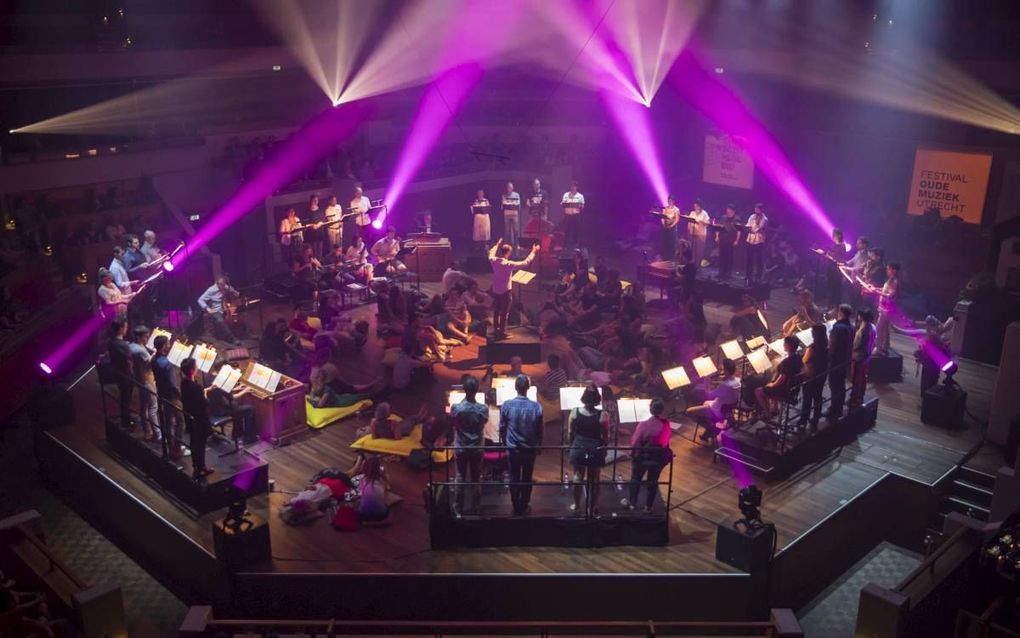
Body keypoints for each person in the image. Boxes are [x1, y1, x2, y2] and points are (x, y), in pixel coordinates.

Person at [500, 374, 544, 516]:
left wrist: (504, 442)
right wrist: (539, 445)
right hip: (529, 449)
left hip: (512, 448)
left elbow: (502, 427)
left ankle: (516, 506)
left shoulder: (506, 405)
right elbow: (540, 430)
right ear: (528, 388)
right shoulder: (537, 407)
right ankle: (524, 506)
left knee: (513, 477)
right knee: (527, 477)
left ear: (515, 387)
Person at [623, 397, 671, 513]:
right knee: (653, 481)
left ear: (650, 409)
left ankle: (633, 503)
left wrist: (632, 454)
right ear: (662, 410)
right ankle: (648, 507)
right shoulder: (666, 424)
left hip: (643, 458)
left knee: (636, 478)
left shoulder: (643, 425)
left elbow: (635, 442)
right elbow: (665, 442)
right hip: (658, 459)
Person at [567, 384, 610, 515]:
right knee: (595, 479)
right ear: (597, 398)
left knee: (577, 477)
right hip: (595, 449)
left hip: (579, 448)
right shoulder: (603, 415)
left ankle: (577, 505)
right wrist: (604, 449)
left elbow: (570, 433)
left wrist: (572, 447)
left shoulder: (574, 412)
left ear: (584, 397)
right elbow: (605, 436)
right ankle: (593, 507)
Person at [450, 375, 488, 516]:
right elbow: (483, 422)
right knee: (476, 478)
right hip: (477, 447)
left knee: (460, 476)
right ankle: (476, 507)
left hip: (460, 446)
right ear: (477, 390)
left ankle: (458, 507)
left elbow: (453, 423)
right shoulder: (483, 409)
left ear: (464, 389)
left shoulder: (456, 408)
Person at [488, 238, 539, 340]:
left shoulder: (493, 261)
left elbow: (491, 252)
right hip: (505, 291)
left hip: (496, 290)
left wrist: (497, 244)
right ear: (509, 253)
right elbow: (526, 262)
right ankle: (501, 333)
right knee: (504, 313)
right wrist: (533, 251)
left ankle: (496, 329)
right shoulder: (508, 264)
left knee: (496, 311)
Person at [686, 358, 742, 441]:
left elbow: (708, 395)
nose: (721, 371)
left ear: (726, 370)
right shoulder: (738, 380)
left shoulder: (725, 386)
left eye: (723, 369)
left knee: (689, 411)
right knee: (705, 403)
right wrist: (716, 383)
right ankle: (709, 429)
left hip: (718, 410)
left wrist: (706, 382)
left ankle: (712, 429)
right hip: (727, 408)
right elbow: (726, 385)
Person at [206, 358, 256, 444]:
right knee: (250, 409)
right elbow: (232, 397)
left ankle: (237, 434)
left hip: (212, 408)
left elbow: (223, 392)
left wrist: (237, 388)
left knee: (237, 405)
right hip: (219, 411)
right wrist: (245, 391)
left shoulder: (210, 377)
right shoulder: (219, 381)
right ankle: (249, 437)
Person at [151, 335, 185, 459]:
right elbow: (173, 385)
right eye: (168, 343)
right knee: (181, 421)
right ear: (164, 346)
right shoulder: (167, 364)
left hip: (162, 394)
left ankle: (170, 448)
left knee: (168, 422)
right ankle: (177, 448)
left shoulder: (154, 359)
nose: (169, 345)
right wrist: (180, 396)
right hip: (172, 397)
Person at [179, 357, 214, 480]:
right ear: (193, 370)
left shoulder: (184, 383)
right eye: (196, 366)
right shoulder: (196, 387)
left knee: (194, 442)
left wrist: (203, 391)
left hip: (190, 417)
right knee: (200, 444)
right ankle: (201, 467)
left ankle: (197, 466)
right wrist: (204, 394)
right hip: (200, 419)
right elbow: (205, 403)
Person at [755, 336, 803, 419]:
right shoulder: (799, 358)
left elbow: (781, 379)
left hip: (785, 390)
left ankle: (767, 414)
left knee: (758, 391)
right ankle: (775, 409)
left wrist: (772, 385)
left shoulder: (786, 362)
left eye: (785, 343)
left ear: (788, 346)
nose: (783, 345)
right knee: (773, 381)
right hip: (794, 389)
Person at [128, 325, 160, 441]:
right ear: (140, 337)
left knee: (144, 407)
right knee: (153, 407)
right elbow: (149, 364)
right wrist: (156, 353)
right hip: (147, 381)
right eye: (146, 336)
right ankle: (158, 434)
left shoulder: (132, 346)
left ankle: (147, 431)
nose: (147, 338)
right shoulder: (140, 350)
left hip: (140, 380)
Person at [826, 304, 854, 420]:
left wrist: (827, 359)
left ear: (841, 313)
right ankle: (838, 408)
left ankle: (834, 410)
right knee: (841, 385)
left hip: (836, 361)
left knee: (834, 385)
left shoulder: (837, 328)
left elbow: (832, 347)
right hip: (845, 360)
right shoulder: (851, 326)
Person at [799, 323, 829, 429]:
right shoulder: (826, 344)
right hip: (822, 374)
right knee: (817, 396)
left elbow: (804, 360)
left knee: (807, 399)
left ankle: (803, 420)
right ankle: (816, 417)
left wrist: (804, 352)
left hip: (810, 375)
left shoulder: (812, 347)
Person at [107, 318, 134, 430]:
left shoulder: (111, 342)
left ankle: (126, 419)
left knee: (124, 397)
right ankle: (126, 422)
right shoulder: (123, 345)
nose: (127, 329)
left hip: (118, 372)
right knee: (126, 398)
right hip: (125, 374)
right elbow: (130, 359)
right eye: (126, 327)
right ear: (121, 329)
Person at [197, 276, 240, 344]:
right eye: (221, 285)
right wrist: (208, 308)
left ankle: (246, 333)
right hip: (215, 310)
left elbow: (235, 293)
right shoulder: (211, 290)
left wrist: (234, 292)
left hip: (224, 308)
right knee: (220, 321)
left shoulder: (224, 286)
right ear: (217, 284)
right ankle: (232, 339)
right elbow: (200, 300)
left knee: (237, 315)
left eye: (223, 285)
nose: (223, 287)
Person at [849, 307, 877, 408]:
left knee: (856, 378)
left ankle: (854, 398)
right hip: (867, 356)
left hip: (859, 357)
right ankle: (860, 395)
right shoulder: (873, 327)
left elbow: (855, 345)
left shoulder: (862, 331)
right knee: (863, 377)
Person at [874, 262, 900, 356]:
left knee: (879, 328)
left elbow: (890, 295)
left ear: (894, 270)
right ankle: (884, 347)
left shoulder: (895, 281)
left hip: (887, 309)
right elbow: (885, 290)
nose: (887, 271)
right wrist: (875, 288)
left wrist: (877, 292)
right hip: (883, 308)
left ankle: (878, 348)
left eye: (889, 269)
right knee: (884, 329)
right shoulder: (890, 280)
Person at [358, 456, 391, 522]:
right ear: (378, 470)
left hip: (363, 515)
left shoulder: (362, 480)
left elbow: (361, 494)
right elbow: (386, 499)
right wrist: (384, 474)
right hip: (380, 516)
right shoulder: (382, 482)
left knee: (360, 501)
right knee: (387, 502)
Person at [716, 204, 741, 280]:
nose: (728, 213)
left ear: (734, 212)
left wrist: (737, 240)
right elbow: (718, 227)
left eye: (730, 212)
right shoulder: (723, 217)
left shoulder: (737, 219)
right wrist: (717, 236)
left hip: (731, 241)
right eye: (727, 211)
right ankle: (721, 272)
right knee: (721, 257)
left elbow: (739, 231)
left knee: (729, 258)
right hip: (722, 240)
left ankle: (728, 274)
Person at [744, 202, 768, 282]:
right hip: (750, 239)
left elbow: (760, 228)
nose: (756, 210)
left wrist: (756, 224)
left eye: (758, 209)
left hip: (759, 241)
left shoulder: (764, 218)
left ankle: (758, 277)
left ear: (761, 210)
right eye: (755, 209)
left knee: (758, 259)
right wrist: (749, 228)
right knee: (749, 258)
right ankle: (748, 275)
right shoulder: (752, 216)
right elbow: (748, 225)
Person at [825, 228, 849, 305]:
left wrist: (829, 256)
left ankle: (835, 307)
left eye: (834, 235)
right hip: (831, 270)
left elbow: (839, 259)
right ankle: (830, 306)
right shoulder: (835, 246)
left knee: (835, 290)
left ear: (838, 235)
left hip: (836, 271)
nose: (832, 236)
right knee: (830, 289)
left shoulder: (842, 246)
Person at [560, 180, 585, 248]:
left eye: (574, 186)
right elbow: (563, 203)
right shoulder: (566, 194)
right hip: (568, 215)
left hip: (576, 215)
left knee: (576, 230)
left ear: (577, 187)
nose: (573, 187)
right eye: (572, 186)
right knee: (567, 230)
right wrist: (562, 204)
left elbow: (582, 206)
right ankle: (565, 245)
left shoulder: (580, 196)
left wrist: (579, 206)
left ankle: (575, 245)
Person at [688, 199, 711, 266]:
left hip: (701, 234)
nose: (695, 207)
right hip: (693, 233)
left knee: (699, 250)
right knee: (692, 249)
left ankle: (697, 265)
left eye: (697, 206)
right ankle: (691, 263)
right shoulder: (692, 213)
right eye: (694, 206)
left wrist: (702, 222)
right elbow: (689, 221)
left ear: (700, 206)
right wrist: (689, 231)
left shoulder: (704, 213)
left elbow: (708, 223)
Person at [500, 181, 521, 249]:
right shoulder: (504, 195)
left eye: (511, 187)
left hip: (514, 214)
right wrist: (511, 204)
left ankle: (516, 245)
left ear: (513, 188)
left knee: (516, 230)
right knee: (507, 230)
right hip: (507, 214)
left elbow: (518, 203)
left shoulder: (516, 195)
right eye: (509, 187)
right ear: (507, 188)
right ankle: (505, 245)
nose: (510, 189)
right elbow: (504, 204)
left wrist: (510, 204)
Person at [659, 196, 680, 261]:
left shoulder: (676, 209)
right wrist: (663, 223)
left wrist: (671, 226)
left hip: (672, 229)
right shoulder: (665, 208)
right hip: (665, 228)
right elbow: (662, 217)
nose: (669, 202)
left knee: (672, 244)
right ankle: (664, 258)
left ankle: (671, 259)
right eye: (668, 200)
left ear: (673, 201)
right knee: (665, 243)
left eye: (671, 200)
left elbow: (677, 220)